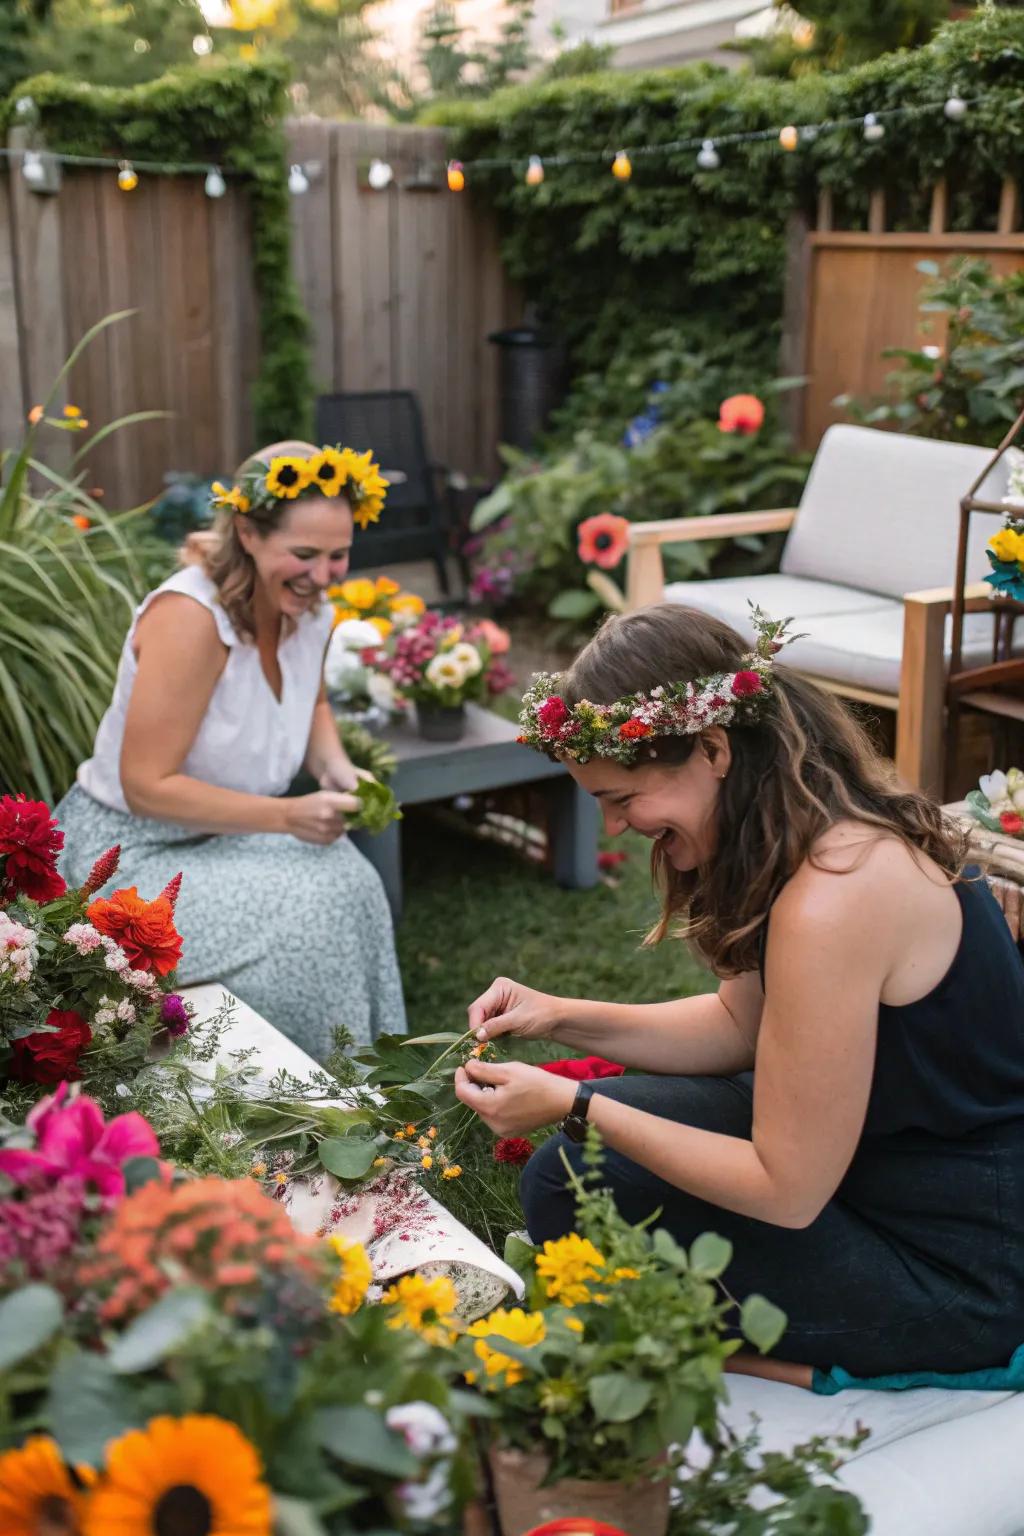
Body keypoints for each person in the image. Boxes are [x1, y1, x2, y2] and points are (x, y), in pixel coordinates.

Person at [454, 603, 1024, 1385]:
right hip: (867, 1167)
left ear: (714, 748)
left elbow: (787, 1191)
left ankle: (786, 1366)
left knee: (583, 1176)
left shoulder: (835, 896)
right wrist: (558, 1016)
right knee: (569, 1175)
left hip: (958, 1263)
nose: (618, 827)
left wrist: (572, 1103)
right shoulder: (803, 835)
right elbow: (737, 1027)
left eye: (624, 799)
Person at [56, 441, 406, 1059]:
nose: (324, 575)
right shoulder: (192, 618)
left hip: (224, 837)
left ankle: (361, 1077)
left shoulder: (309, 610)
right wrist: (288, 816)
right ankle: (292, 1087)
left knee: (351, 878)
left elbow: (312, 703)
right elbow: (146, 784)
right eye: (303, 554)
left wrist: (337, 770)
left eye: (338, 555)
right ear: (246, 531)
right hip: (130, 854)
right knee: (313, 907)